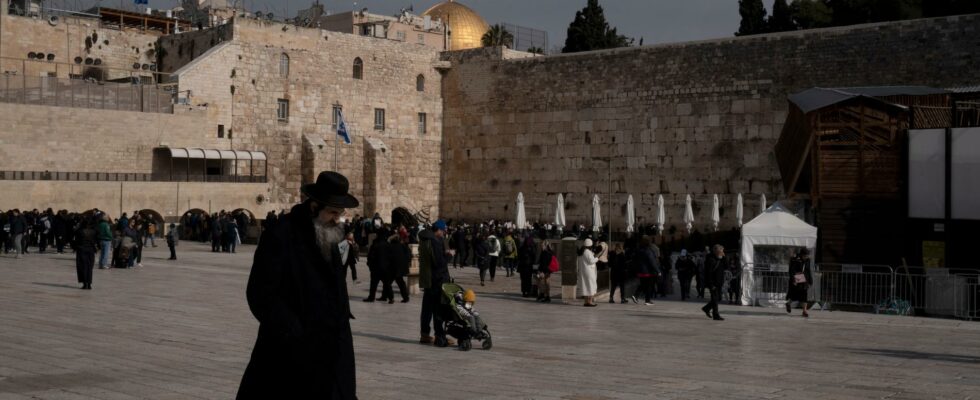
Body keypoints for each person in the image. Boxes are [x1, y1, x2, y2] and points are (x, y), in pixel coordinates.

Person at [237, 171, 359, 399]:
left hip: (333, 349)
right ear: (314, 207)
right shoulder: (282, 234)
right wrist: (293, 330)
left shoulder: (335, 235)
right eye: (333, 212)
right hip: (290, 352)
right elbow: (260, 292)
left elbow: (336, 286)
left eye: (340, 213)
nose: (338, 218)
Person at [418, 219, 453, 347]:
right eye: (443, 230)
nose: (444, 233)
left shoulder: (424, 239)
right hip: (437, 280)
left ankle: (425, 334)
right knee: (438, 309)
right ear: (438, 230)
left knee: (427, 309)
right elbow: (439, 264)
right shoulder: (435, 242)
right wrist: (449, 255)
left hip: (428, 279)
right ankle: (440, 336)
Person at [701, 244, 727, 321]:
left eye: (722, 251)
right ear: (716, 251)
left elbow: (726, 266)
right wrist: (711, 284)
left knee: (718, 298)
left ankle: (706, 308)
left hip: (719, 282)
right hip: (712, 282)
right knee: (715, 299)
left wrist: (724, 257)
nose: (722, 252)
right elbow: (708, 273)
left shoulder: (720, 258)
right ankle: (716, 315)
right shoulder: (710, 259)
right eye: (721, 251)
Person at [72, 215, 98, 290]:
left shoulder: (79, 231)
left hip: (81, 250)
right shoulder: (94, 231)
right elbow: (95, 241)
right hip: (90, 250)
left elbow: (75, 240)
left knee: (82, 267)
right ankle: (89, 284)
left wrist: (74, 248)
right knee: (89, 267)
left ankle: (85, 284)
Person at [786, 248, 813, 317]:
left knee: (804, 294)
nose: (806, 257)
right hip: (797, 277)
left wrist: (810, 280)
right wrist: (793, 279)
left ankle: (804, 311)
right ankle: (788, 303)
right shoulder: (795, 259)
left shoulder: (807, 260)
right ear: (801, 255)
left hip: (805, 278)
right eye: (805, 256)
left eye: (807, 255)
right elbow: (791, 270)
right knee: (795, 293)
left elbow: (808, 270)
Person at [363, 233, 390, 303]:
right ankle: (386, 296)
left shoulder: (375, 244)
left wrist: (369, 264)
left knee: (374, 284)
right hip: (386, 268)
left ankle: (371, 297)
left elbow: (371, 256)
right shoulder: (388, 244)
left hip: (376, 267)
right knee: (386, 283)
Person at [633, 236, 660, 306]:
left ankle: (635, 295)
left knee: (642, 285)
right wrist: (658, 271)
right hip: (648, 272)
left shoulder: (638, 250)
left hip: (640, 271)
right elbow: (652, 261)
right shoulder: (648, 251)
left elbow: (635, 260)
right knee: (649, 286)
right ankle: (647, 300)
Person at [577, 238, 599, 307]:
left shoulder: (582, 252)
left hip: (583, 271)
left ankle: (586, 301)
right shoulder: (587, 252)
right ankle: (590, 302)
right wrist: (597, 258)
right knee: (591, 286)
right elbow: (591, 261)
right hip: (589, 272)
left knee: (585, 286)